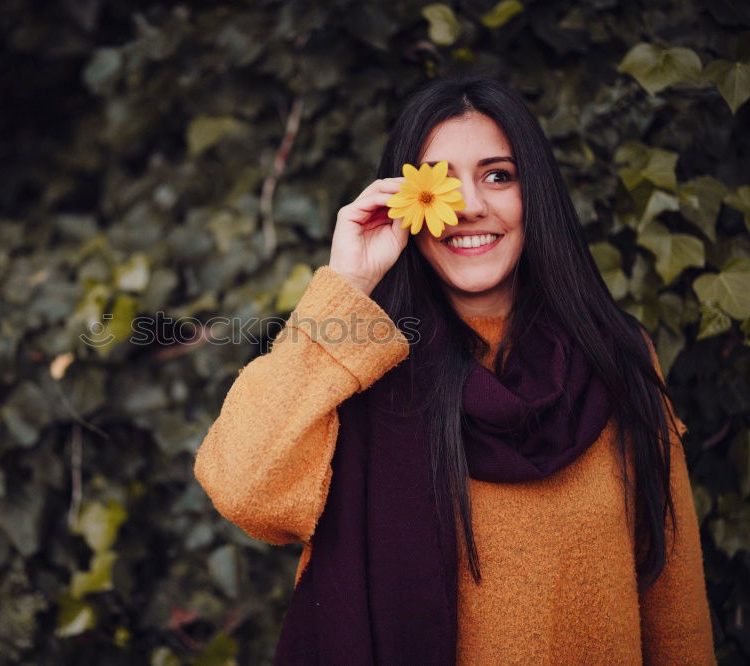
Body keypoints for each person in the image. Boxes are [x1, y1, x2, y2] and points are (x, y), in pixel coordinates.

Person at [193, 75, 715, 665]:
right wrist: (347, 286)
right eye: (438, 183)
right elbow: (244, 491)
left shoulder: (616, 355)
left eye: (498, 175)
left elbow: (674, 605)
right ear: (405, 203)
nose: (468, 205)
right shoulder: (360, 365)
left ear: (534, 193)